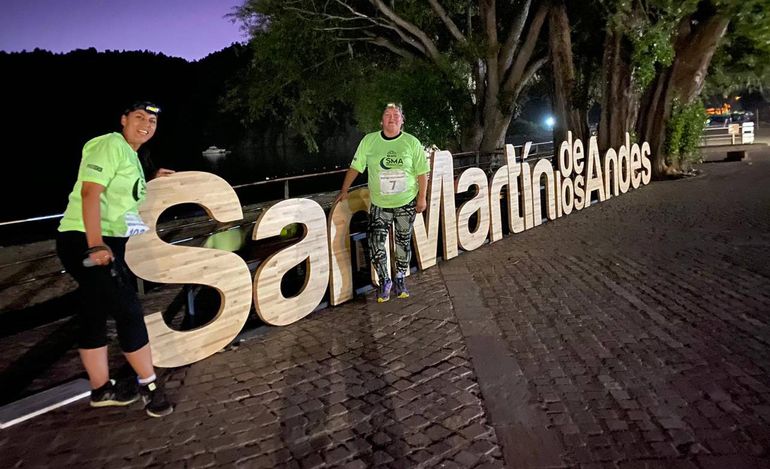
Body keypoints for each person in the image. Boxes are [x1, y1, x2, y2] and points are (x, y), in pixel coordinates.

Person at [56, 102, 175, 417]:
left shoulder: (131, 155)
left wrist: (149, 180)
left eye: (151, 120)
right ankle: (148, 385)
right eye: (139, 117)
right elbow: (90, 193)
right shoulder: (110, 144)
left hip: (108, 242)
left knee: (94, 312)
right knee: (128, 309)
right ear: (123, 120)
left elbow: (119, 194)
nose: (146, 124)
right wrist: (95, 245)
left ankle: (101, 389)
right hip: (86, 239)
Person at [335, 103, 429, 302]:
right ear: (381, 121)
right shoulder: (369, 141)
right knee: (376, 243)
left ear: (402, 121)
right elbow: (356, 166)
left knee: (403, 242)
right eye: (388, 114)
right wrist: (344, 189)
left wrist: (422, 198)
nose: (392, 117)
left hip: (406, 203)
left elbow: (422, 172)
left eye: (396, 115)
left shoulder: (411, 142)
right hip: (380, 204)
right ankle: (385, 280)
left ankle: (400, 278)